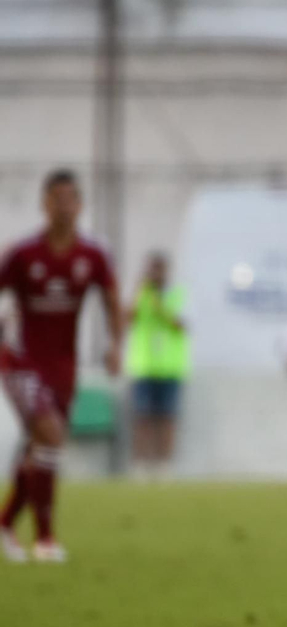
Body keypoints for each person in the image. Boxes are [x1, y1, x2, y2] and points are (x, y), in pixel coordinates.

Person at [0, 170, 120, 563]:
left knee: (40, 448)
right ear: (44, 204)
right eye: (56, 198)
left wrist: (115, 344)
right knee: (50, 436)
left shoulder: (93, 255)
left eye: (70, 198)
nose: (64, 206)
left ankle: (4, 525)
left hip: (63, 365)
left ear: (80, 205)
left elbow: (111, 296)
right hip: (19, 359)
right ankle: (46, 539)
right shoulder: (22, 255)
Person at [125, 253, 188, 475]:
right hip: (144, 366)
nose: (155, 274)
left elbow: (181, 324)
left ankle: (164, 465)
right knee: (142, 417)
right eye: (152, 269)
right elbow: (127, 319)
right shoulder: (142, 295)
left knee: (167, 418)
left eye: (159, 269)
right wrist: (138, 291)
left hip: (170, 368)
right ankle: (140, 465)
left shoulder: (177, 295)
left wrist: (158, 304)